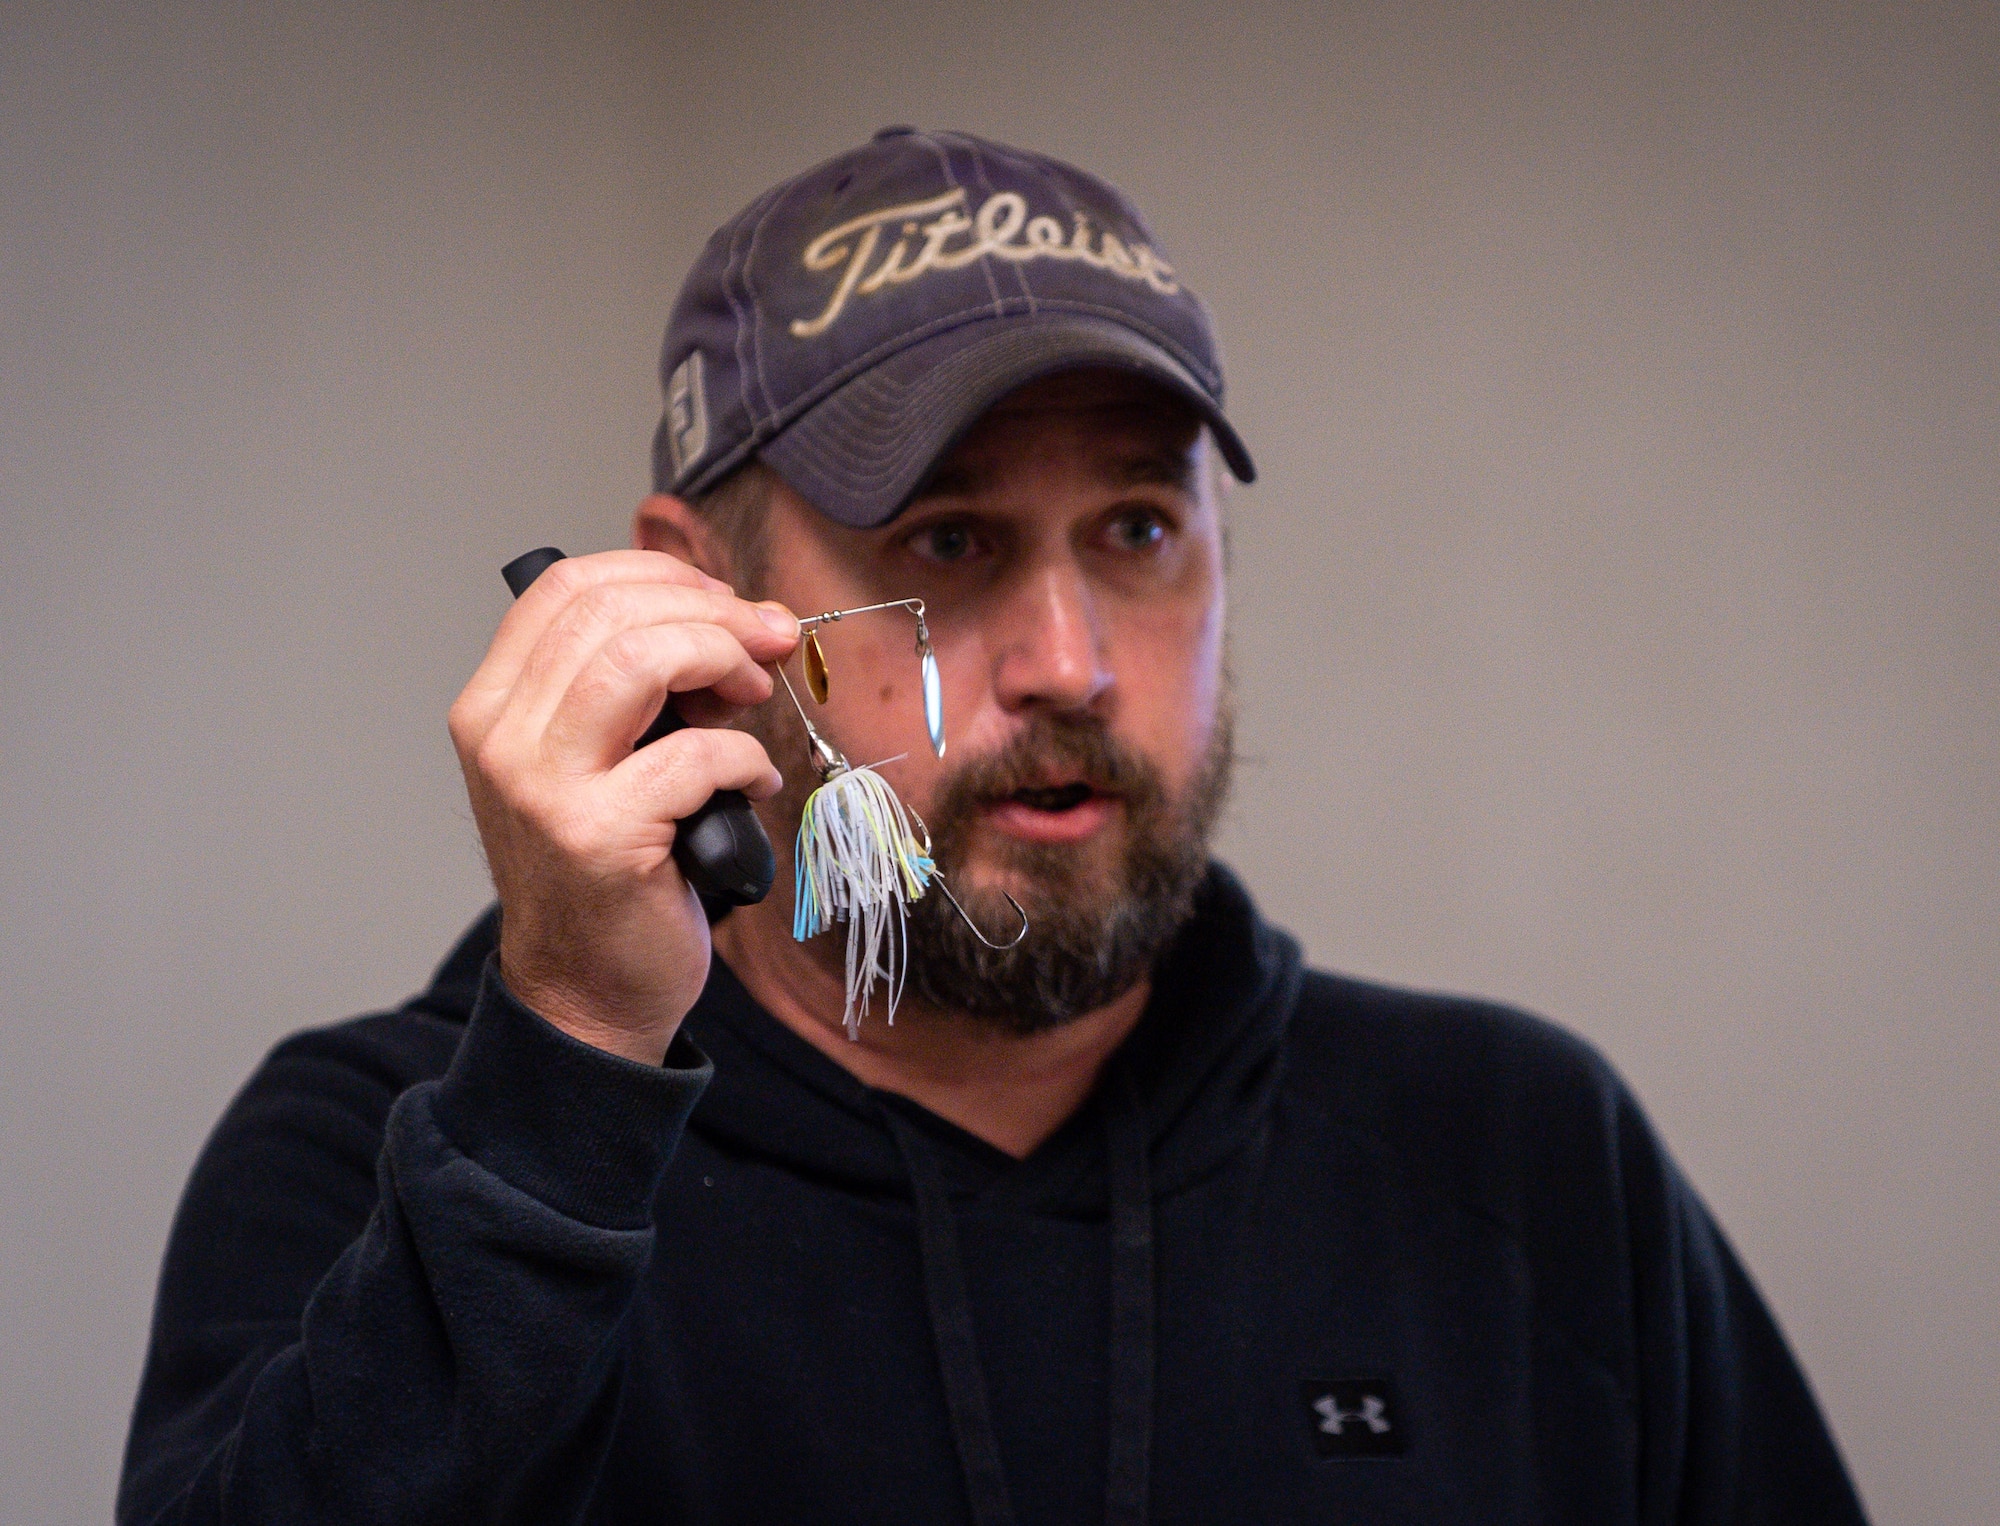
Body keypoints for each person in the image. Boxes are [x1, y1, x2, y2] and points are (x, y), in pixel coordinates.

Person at [120, 127, 1868, 1525]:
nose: (1070, 662)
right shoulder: (384, 1159)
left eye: (1136, 532)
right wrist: (567, 1070)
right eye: (948, 542)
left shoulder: (1519, 1158)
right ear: (692, 593)